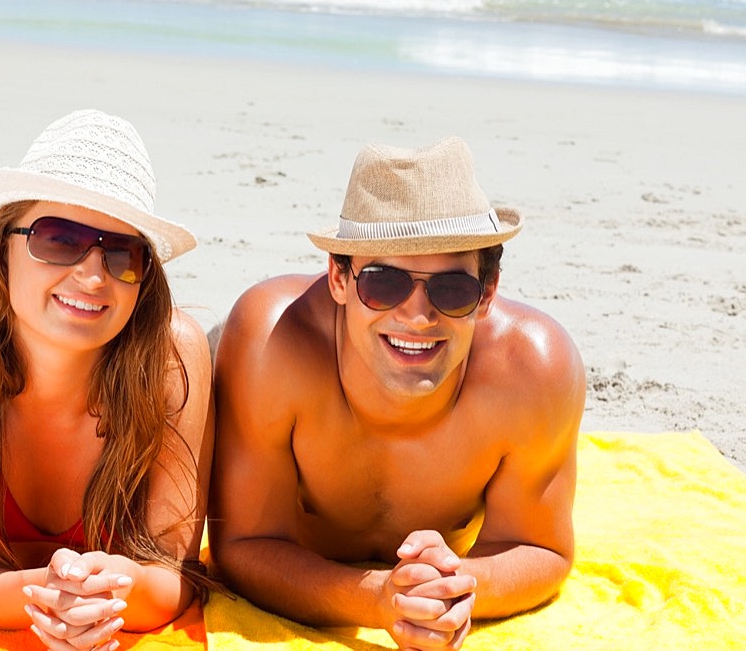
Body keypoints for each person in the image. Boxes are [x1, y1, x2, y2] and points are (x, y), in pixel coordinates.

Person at [209, 137, 586, 650]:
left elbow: (542, 547)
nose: (417, 315)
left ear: (487, 294)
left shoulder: (534, 369)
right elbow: (245, 544)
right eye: (384, 284)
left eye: (451, 290)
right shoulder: (273, 343)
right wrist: (377, 600)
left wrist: (455, 588)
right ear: (338, 278)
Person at [0, 110, 214, 650]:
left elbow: (174, 571)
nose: (91, 274)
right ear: (2, 248)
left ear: (143, 277)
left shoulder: (170, 356)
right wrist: (48, 597)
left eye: (121, 254)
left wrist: (99, 594)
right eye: (58, 238)